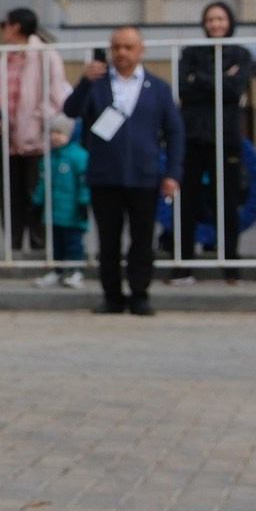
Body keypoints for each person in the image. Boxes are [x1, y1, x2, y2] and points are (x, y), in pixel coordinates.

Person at [64, 25, 185, 316]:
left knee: (142, 238)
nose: (121, 53)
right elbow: (70, 110)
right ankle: (112, 296)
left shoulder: (158, 88)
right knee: (108, 240)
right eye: (116, 47)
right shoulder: (97, 84)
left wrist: (172, 174)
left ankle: (140, 294)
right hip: (105, 175)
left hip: (144, 176)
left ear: (141, 50)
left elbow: (175, 132)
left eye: (128, 47)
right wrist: (83, 82)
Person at [175, 0, 253, 284]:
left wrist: (203, 81)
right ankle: (182, 265)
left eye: (220, 19)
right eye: (210, 19)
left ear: (230, 22)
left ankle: (231, 265)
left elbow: (235, 88)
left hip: (227, 138)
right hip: (193, 136)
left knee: (228, 203)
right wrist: (220, 79)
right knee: (187, 203)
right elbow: (184, 86)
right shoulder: (191, 52)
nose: (215, 24)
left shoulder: (241, 54)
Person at [0, 7, 67, 256]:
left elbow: (56, 95)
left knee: (36, 193)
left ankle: (39, 247)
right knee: (10, 195)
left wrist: (38, 120)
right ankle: (12, 246)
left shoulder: (45, 55)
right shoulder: (4, 58)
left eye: (5, 24)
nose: (3, 30)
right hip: (9, 138)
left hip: (37, 138)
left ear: (15, 26)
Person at [37, 120, 90, 288]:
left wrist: (84, 202)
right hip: (53, 211)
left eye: (61, 133)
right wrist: (37, 201)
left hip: (72, 212)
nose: (56, 137)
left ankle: (77, 271)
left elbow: (84, 182)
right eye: (53, 132)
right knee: (55, 243)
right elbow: (42, 183)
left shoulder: (79, 156)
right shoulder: (49, 158)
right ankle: (56, 270)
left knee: (74, 243)